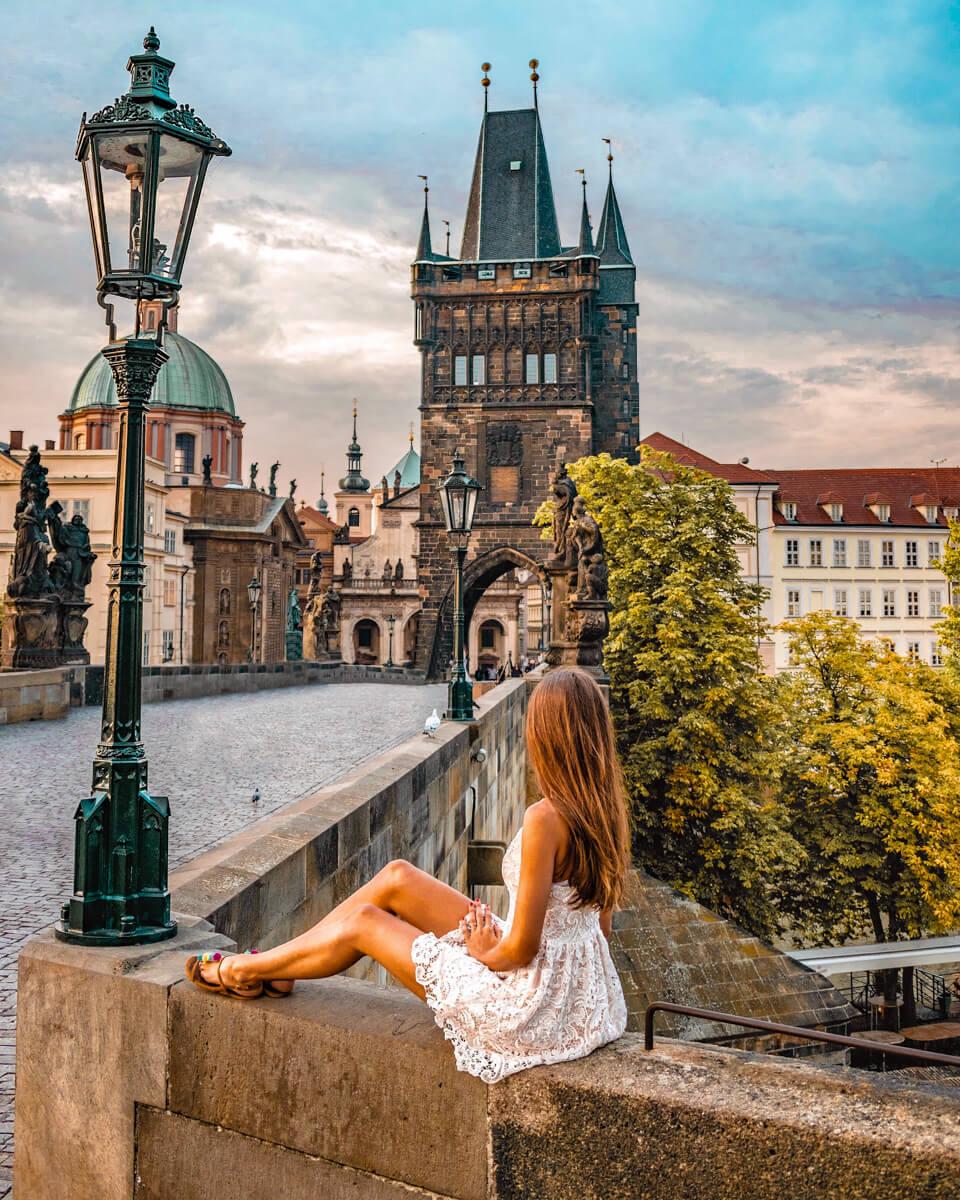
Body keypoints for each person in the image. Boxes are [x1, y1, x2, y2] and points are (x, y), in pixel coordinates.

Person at [185, 667, 629, 1083]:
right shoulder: (606, 808)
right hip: (578, 995)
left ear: (547, 737)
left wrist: (483, 949)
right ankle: (281, 965)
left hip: (528, 1006)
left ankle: (247, 969)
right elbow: (599, 931)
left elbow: (521, 950)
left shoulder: (544, 820)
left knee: (365, 924)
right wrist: (509, 945)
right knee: (398, 876)